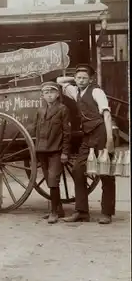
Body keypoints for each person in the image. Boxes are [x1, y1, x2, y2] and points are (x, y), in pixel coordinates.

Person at [57, 63, 116, 224]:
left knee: (105, 173)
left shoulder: (97, 91)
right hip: (87, 136)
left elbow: (107, 116)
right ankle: (82, 212)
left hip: (102, 133)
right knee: (77, 170)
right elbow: (60, 80)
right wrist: (75, 76)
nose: (81, 80)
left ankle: (107, 213)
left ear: (91, 79)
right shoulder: (75, 90)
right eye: (78, 78)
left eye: (84, 78)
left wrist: (110, 140)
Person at [32, 81, 71, 224]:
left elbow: (67, 133)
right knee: (49, 181)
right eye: (46, 93)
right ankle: (58, 209)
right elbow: (35, 131)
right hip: (42, 151)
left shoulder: (63, 109)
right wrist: (35, 150)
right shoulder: (40, 111)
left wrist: (65, 152)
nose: (49, 95)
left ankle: (54, 212)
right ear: (42, 96)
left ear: (58, 94)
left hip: (56, 150)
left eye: (52, 92)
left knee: (53, 180)